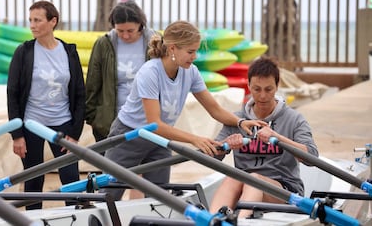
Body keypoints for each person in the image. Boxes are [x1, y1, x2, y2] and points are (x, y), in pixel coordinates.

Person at [100, 20, 266, 201]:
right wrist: (195, 139)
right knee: (108, 196)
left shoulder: (191, 72)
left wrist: (240, 122)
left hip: (159, 141)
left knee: (159, 200)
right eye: (190, 52)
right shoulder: (150, 72)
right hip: (129, 137)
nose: (194, 57)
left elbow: (215, 109)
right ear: (172, 49)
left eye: (196, 51)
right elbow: (154, 125)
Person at [209, 56, 319, 218]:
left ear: (277, 86)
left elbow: (312, 157)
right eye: (256, 89)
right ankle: (212, 220)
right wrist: (226, 144)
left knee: (253, 179)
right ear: (248, 86)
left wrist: (278, 138)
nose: (262, 96)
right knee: (233, 178)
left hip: (285, 191)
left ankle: (241, 221)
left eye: (268, 89)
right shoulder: (237, 120)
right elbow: (213, 156)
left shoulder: (295, 119)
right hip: (243, 187)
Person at [7, 0, 86, 210]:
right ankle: (33, 220)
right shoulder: (23, 52)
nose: (32, 25)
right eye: (30, 20)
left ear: (53, 21)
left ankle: (77, 218)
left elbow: (79, 93)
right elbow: (12, 94)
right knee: (33, 181)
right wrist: (17, 135)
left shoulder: (69, 52)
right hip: (31, 124)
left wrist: (75, 132)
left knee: (71, 180)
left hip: (63, 124)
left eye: (38, 20)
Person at [85, 0, 156, 142]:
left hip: (146, 122)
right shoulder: (103, 44)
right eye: (120, 31)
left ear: (141, 25)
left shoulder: (155, 42)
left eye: (130, 31)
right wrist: (94, 118)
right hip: (110, 123)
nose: (125, 36)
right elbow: (93, 84)